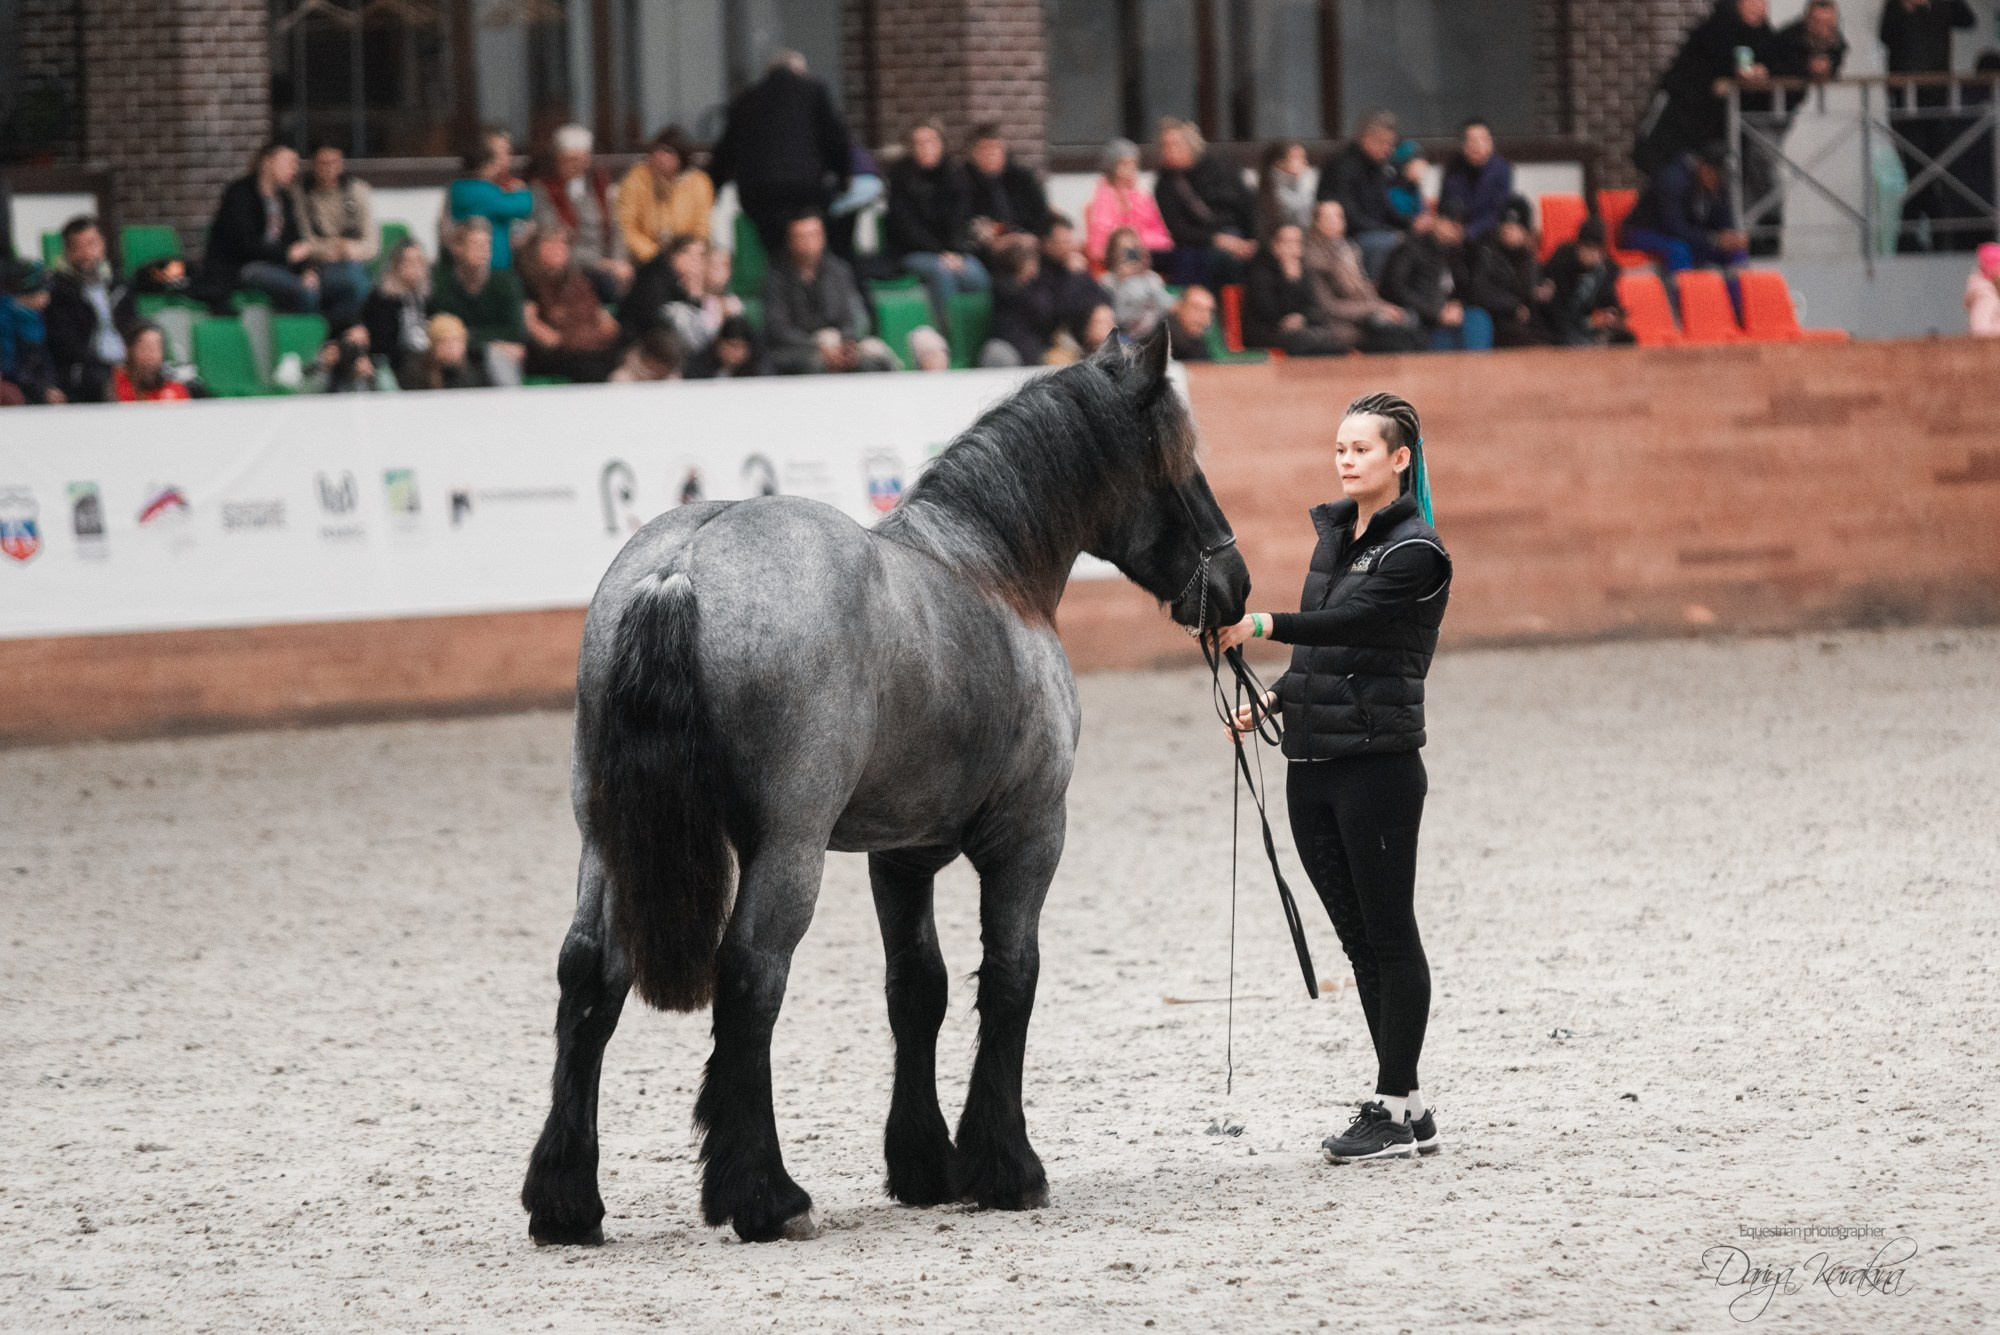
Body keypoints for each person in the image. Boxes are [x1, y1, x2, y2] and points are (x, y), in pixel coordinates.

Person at [1217, 391, 1451, 1166]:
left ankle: (1388, 1104)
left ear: (1400, 459)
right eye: (1340, 447)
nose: (1345, 458)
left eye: (1361, 448)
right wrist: (1276, 697)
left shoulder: (1416, 552)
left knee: (1390, 933)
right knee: (1357, 940)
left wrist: (1261, 624)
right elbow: (1324, 655)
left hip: (1377, 766)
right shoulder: (1337, 540)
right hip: (1311, 763)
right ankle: (1407, 1104)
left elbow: (1354, 627)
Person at [707, 51, 853, 259]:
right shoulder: (814, 91)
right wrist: (844, 176)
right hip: (806, 189)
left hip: (759, 193)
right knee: (812, 252)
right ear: (800, 71)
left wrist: (712, 186)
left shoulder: (747, 98)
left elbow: (727, 149)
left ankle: (780, 285)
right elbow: (835, 138)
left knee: (776, 252)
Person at [1634, 0, 1778, 177]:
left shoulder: (1765, 37)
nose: (1755, 7)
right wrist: (1735, 72)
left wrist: (1764, 70)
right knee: (1672, 180)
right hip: (1681, 126)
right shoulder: (1715, 29)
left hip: (1720, 132)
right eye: (1749, 1)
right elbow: (1714, 63)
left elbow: (1777, 59)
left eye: (1761, 2)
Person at [1881, 0, 1978, 250]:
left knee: (1937, 169)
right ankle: (1932, 236)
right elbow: (1885, 35)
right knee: (1916, 169)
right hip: (1906, 101)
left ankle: (1914, 240)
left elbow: (1968, 20)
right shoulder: (1896, 5)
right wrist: (1907, 9)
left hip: (1938, 99)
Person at [885, 119, 991, 327]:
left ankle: (977, 332)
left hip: (952, 253)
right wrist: (939, 252)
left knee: (979, 276)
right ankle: (946, 336)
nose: (924, 148)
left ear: (941, 144)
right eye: (918, 143)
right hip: (912, 252)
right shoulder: (901, 177)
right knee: (942, 274)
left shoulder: (955, 175)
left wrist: (956, 252)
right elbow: (905, 226)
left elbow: (962, 219)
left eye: (930, 142)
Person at [762, 212, 897, 375]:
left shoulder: (839, 271)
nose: (808, 243)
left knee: (875, 359)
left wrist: (844, 344)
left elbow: (855, 317)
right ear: (790, 241)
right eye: (801, 237)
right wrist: (817, 344)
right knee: (812, 364)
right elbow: (778, 329)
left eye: (813, 235)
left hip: (840, 342)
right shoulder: (776, 277)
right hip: (800, 348)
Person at [204, 144, 325, 313]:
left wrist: (308, 269)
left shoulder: (285, 199)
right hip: (243, 267)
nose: (294, 169)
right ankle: (306, 335)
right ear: (268, 162)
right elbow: (243, 244)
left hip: (278, 266)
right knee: (304, 291)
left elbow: (295, 239)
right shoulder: (240, 194)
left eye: (296, 164)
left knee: (339, 282)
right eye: (289, 162)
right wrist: (286, 255)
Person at [1303, 200, 1426, 353]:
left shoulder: (1350, 249)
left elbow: (1365, 289)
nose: (1334, 222)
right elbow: (1329, 307)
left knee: (1412, 327)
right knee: (1396, 340)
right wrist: (1374, 309)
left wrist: (1385, 308)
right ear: (1316, 223)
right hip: (1339, 325)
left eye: (1338, 216)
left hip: (1365, 318)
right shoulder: (1315, 259)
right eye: (1328, 218)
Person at [1153, 117, 1258, 286]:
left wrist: (1253, 239)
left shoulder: (1222, 167)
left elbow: (1248, 204)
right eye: (1165, 145)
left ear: (1191, 144)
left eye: (1175, 144)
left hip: (1238, 234)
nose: (1169, 150)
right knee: (1193, 259)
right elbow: (1179, 230)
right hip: (1199, 244)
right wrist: (1217, 239)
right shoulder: (1165, 183)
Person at [536, 124, 632, 301]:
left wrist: (619, 261)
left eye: (580, 159)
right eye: (568, 160)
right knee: (604, 284)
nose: (575, 165)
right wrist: (603, 264)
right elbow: (554, 240)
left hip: (608, 264)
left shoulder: (600, 186)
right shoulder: (544, 191)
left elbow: (616, 228)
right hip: (571, 266)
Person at [429, 216, 527, 386]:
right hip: (455, 353)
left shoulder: (506, 283)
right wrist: (486, 341)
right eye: (475, 244)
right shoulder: (443, 285)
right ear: (458, 248)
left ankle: (510, 406)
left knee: (497, 355)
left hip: (490, 353)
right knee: (449, 349)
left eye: (486, 244)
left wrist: (469, 338)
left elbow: (515, 331)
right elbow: (441, 327)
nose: (483, 250)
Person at [517, 225, 622, 383]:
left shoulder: (580, 280)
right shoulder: (528, 282)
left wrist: (605, 330)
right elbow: (532, 325)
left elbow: (602, 317)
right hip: (558, 354)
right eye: (550, 242)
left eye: (562, 243)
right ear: (535, 248)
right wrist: (564, 341)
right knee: (590, 369)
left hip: (592, 345)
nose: (557, 248)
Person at [1620, 145, 1749, 273]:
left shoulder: (1717, 188)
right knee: (1679, 249)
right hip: (1645, 231)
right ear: (1704, 168)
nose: (1720, 181)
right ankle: (1683, 293)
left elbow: (1724, 223)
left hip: (1685, 234)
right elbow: (1673, 226)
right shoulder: (1673, 180)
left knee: (1736, 251)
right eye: (1717, 175)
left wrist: (1733, 238)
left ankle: (1738, 293)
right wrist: (1713, 239)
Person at [1379, 212, 1494, 351]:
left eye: (1459, 226)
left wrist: (1456, 304)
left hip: (1445, 316)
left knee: (1478, 318)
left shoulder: (1456, 254)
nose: (1455, 230)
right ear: (1436, 220)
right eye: (1451, 223)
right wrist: (1435, 313)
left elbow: (1465, 289)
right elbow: (1393, 287)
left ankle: (1474, 367)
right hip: (1418, 316)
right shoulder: (1410, 248)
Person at [291, 143, 375, 328]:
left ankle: (336, 331)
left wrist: (348, 249)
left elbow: (371, 243)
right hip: (315, 264)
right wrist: (332, 248)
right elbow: (305, 240)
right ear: (312, 164)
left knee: (357, 282)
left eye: (334, 162)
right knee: (310, 291)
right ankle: (326, 332)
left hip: (352, 260)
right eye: (323, 163)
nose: (328, 168)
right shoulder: (301, 194)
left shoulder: (357, 190)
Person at [45, 216, 128, 401]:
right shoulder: (58, 291)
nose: (87, 254)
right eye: (78, 247)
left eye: (91, 244)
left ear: (102, 245)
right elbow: (66, 344)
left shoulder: (119, 285)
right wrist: (108, 364)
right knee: (104, 382)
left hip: (126, 364)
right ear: (67, 251)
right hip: (86, 369)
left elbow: (133, 326)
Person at [1318, 111, 1410, 278]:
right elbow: (1350, 217)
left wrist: (1410, 224)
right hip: (1350, 236)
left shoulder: (1378, 166)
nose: (1389, 150)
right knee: (1386, 243)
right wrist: (1389, 232)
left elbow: (1385, 206)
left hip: (1376, 230)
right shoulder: (1342, 166)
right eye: (1385, 143)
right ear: (1367, 139)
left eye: (1392, 144)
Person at [614, 126, 715, 267]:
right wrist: (654, 255)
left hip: (687, 260)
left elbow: (702, 228)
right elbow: (627, 226)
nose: (660, 157)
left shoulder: (699, 182)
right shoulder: (636, 178)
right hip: (645, 261)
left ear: (681, 156)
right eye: (657, 150)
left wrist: (683, 256)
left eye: (668, 152)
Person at [1243, 222, 1349, 356]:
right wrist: (1290, 282)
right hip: (1266, 331)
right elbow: (1268, 311)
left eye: (1297, 243)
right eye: (1288, 243)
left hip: (1301, 330)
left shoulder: (1305, 270)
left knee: (1337, 340)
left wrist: (1302, 318)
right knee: (1307, 343)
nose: (1293, 248)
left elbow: (1315, 308)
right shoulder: (1260, 271)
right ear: (1275, 246)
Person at [1464, 196, 1551, 348]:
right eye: (1506, 226)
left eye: (1515, 227)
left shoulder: (1529, 258)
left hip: (1525, 323)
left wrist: (1542, 290)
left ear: (1525, 231)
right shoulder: (1487, 252)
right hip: (1495, 321)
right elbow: (1479, 292)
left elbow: (1532, 290)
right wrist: (1514, 306)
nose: (1509, 231)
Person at [447, 126, 534, 270]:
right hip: (493, 263)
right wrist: (522, 191)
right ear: (485, 166)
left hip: (464, 261)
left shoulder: (458, 189)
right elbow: (522, 207)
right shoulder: (485, 192)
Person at [965, 123, 1053, 260]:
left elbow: (1041, 217)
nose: (991, 154)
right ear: (974, 153)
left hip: (1026, 243)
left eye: (996, 148)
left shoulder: (1022, 179)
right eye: (985, 149)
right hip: (984, 252)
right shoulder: (963, 182)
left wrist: (1029, 236)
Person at [1539, 219, 1634, 346]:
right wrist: (1590, 322)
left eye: (1597, 250)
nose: (1592, 255)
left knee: (1627, 339)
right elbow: (1556, 308)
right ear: (1578, 247)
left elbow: (1609, 300)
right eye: (1587, 248)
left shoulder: (1606, 270)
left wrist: (1613, 315)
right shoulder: (1561, 261)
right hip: (1560, 324)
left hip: (1589, 324)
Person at [1085, 138, 1173, 267]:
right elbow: (1100, 245)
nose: (1130, 169)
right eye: (1124, 164)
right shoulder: (1103, 199)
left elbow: (1161, 233)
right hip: (1116, 257)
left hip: (1146, 251)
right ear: (1112, 167)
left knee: (1185, 254)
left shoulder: (1142, 197)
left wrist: (1140, 241)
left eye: (1133, 164)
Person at [983, 233, 1062, 366]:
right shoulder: (1003, 289)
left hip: (1035, 346)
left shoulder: (1039, 286)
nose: (1034, 266)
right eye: (1029, 260)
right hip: (1011, 345)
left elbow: (1048, 313)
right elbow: (1037, 309)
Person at [363, 239, 432, 387]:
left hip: (425, 352)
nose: (415, 268)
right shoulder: (382, 299)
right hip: (396, 359)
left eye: (419, 262)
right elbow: (382, 342)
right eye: (409, 262)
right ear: (396, 265)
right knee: (416, 364)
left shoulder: (426, 297)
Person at [1438, 120, 1515, 245]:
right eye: (1473, 141)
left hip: (1488, 234)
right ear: (1463, 146)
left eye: (1484, 140)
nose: (1479, 146)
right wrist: (1443, 225)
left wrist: (1469, 232)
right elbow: (1444, 206)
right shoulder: (1453, 168)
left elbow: (1499, 213)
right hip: (1455, 234)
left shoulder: (1502, 169)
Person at [0, 260, 64, 404]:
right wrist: (42, 390)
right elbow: (12, 364)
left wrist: (50, 386)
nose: (48, 298)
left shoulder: (35, 317)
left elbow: (42, 359)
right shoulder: (7, 318)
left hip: (34, 386)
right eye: (44, 291)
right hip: (18, 387)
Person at [1035, 212, 1112, 324]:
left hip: (1093, 324)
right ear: (1047, 243)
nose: (1070, 246)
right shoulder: (1039, 272)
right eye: (1064, 242)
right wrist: (1074, 276)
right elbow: (1059, 310)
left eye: (1070, 241)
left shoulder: (1072, 263)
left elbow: (1104, 296)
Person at [1098, 226, 1173, 339]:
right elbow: (1119, 318)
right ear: (1113, 253)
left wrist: (1145, 275)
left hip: (1154, 337)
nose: (1128, 254)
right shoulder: (1106, 281)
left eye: (1133, 249)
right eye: (1123, 249)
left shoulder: (1152, 278)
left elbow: (1168, 308)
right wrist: (1122, 282)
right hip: (1122, 338)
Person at [405, 312, 490, 390]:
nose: (452, 348)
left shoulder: (476, 364)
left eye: (457, 342)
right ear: (433, 346)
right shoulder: (416, 371)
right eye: (445, 342)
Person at [110, 322, 191, 402]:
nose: (152, 354)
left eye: (157, 348)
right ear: (129, 350)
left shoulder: (174, 390)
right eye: (145, 347)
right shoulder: (114, 385)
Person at [303, 323, 393, 393]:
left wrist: (372, 378)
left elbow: (394, 396)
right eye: (350, 343)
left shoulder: (379, 365)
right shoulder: (325, 366)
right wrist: (324, 369)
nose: (354, 350)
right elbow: (303, 396)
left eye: (361, 344)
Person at [1256, 140, 1316, 240]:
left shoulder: (1307, 184)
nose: (1304, 162)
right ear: (1279, 163)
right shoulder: (1270, 193)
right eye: (1297, 158)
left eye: (1304, 157)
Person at [685, 313, 765, 379]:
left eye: (740, 347)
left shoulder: (758, 368)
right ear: (719, 343)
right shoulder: (699, 364)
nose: (735, 352)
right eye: (731, 345)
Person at [609, 326, 686, 382]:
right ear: (651, 359)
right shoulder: (622, 380)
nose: (669, 369)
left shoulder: (672, 377)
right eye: (667, 364)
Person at [1166, 284, 1216, 362]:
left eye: (1209, 311)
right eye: (1197, 308)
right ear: (1178, 307)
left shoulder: (1197, 341)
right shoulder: (1159, 339)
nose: (1204, 316)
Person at [1386, 141, 1430, 226]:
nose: (1423, 168)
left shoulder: (1415, 190)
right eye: (1417, 163)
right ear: (1404, 166)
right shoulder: (1393, 193)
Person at [1965, 241, 2000, 334]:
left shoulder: (1991, 292)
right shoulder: (1985, 296)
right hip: (1991, 347)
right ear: (1992, 269)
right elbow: (1980, 332)